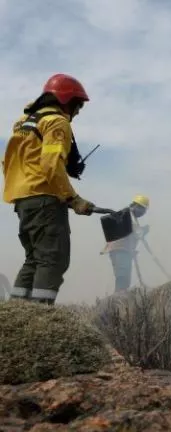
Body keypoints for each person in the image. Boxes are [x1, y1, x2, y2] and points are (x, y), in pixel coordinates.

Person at [2, 73, 96, 304]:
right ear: (67, 101)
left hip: (23, 199)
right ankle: (41, 319)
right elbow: (51, 164)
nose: (78, 112)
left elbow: (8, 162)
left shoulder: (24, 123)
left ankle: (16, 317)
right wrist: (74, 199)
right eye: (78, 106)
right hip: (44, 199)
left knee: (34, 259)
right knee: (53, 259)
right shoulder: (56, 122)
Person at [101, 195, 150, 292]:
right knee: (122, 276)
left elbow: (131, 234)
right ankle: (118, 298)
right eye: (143, 210)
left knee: (125, 277)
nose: (143, 213)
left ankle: (120, 296)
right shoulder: (128, 215)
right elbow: (137, 233)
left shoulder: (129, 215)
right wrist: (145, 230)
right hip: (120, 249)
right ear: (137, 206)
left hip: (123, 250)